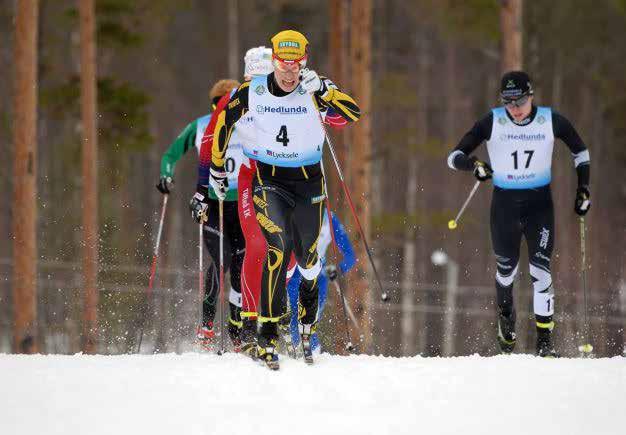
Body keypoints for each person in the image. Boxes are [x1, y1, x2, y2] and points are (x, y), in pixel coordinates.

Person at [209, 29, 360, 369]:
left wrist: (324, 92)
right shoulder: (253, 90)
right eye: (283, 64)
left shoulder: (315, 87)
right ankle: (267, 333)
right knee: (276, 246)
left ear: (304, 61)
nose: (290, 71)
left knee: (307, 262)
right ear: (273, 62)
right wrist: (218, 169)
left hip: (308, 182)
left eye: (297, 64)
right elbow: (223, 125)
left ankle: (306, 325)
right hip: (268, 178)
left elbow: (353, 114)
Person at [447, 71, 591, 357]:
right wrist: (473, 164)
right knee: (506, 271)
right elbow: (453, 157)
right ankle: (506, 318)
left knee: (540, 269)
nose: (515, 109)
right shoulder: (493, 121)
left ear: (531, 96)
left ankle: (545, 343)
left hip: (540, 207)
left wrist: (583, 189)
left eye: (520, 102)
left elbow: (581, 152)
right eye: (509, 102)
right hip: (504, 207)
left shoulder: (550, 120)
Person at [157, 78, 243, 350]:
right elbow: (170, 154)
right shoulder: (201, 124)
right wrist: (165, 176)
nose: (225, 110)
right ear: (214, 104)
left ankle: (237, 329)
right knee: (221, 259)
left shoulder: (249, 122)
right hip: (210, 203)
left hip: (241, 205)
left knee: (241, 267)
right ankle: (207, 325)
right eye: (221, 104)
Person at [286, 209, 356, 354]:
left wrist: (338, 269)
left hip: (318, 275)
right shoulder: (293, 209)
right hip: (294, 274)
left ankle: (312, 354)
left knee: (310, 318)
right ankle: (302, 354)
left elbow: (350, 255)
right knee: (295, 317)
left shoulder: (329, 218)